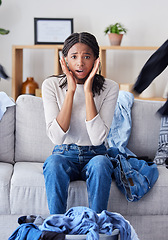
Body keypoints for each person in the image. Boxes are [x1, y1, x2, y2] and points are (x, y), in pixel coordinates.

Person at [41, 32, 119, 214]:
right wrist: (71, 90)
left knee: (101, 165)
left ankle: (97, 226)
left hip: (96, 154)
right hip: (64, 153)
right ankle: (57, 226)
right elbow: (57, 137)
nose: (80, 63)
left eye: (86, 57)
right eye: (74, 57)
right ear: (65, 59)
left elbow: (98, 138)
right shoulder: (51, 85)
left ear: (96, 60)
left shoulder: (110, 87)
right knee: (52, 163)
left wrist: (88, 91)